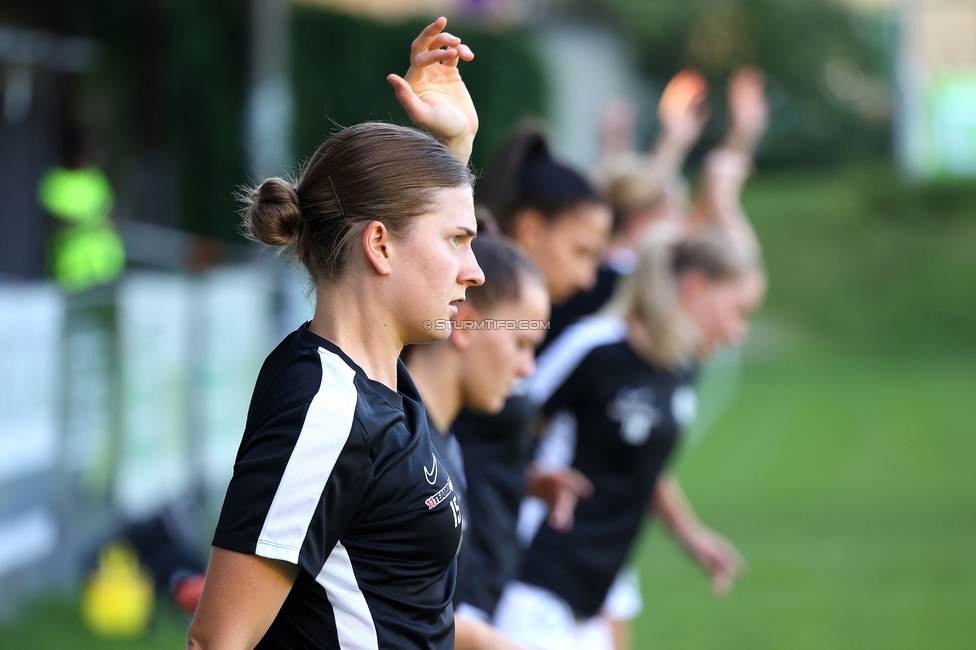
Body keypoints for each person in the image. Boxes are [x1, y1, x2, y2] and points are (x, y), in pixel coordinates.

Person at [186, 17, 486, 649]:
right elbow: (217, 642)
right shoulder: (326, 409)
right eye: (459, 242)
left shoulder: (376, 377)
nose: (475, 271)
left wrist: (454, 145)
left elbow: (418, 226)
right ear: (378, 245)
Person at [494, 233, 766, 650]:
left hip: (600, 587)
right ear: (695, 288)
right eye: (738, 311)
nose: (737, 332)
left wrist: (689, 534)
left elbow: (642, 466)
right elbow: (499, 428)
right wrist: (530, 483)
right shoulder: (596, 347)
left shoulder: (681, 366)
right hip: (534, 576)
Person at [451, 129, 612, 623]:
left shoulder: (513, 325)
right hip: (456, 587)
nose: (587, 278)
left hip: (488, 582)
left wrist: (527, 481)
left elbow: (463, 451)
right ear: (531, 230)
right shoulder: (474, 311)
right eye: (581, 251)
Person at [405, 235, 550, 650]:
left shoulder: (440, 442)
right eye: (521, 343)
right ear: (466, 325)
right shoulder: (401, 447)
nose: (527, 368)